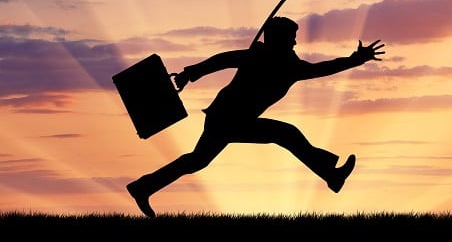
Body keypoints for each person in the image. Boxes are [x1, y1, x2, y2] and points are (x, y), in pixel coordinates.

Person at [127, 17, 385, 217]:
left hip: (226, 119)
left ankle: (143, 187)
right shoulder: (260, 57)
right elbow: (223, 60)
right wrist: (189, 74)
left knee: (197, 161)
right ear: (279, 39)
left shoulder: (288, 66)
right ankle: (330, 175)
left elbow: (324, 68)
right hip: (226, 118)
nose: (295, 43)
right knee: (284, 133)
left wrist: (355, 60)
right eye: (291, 38)